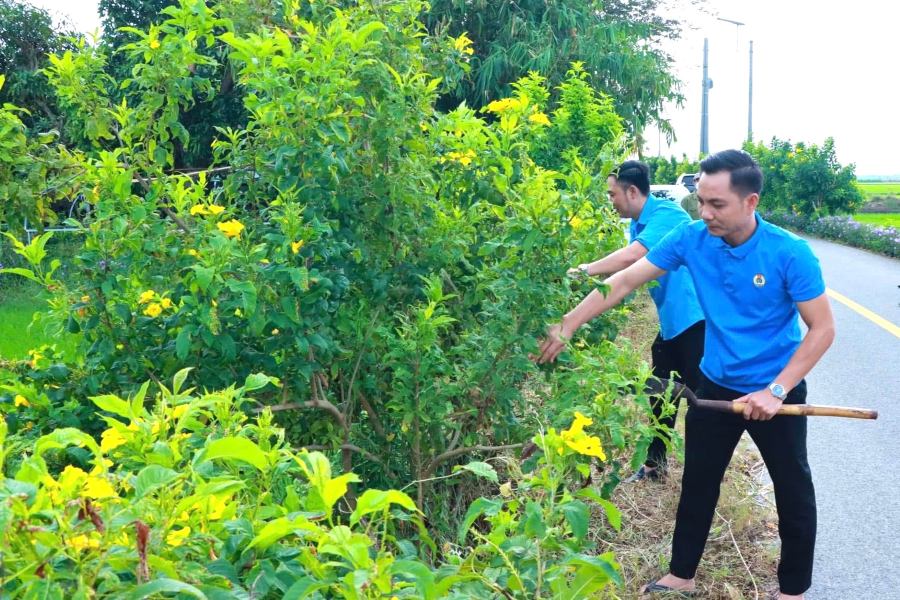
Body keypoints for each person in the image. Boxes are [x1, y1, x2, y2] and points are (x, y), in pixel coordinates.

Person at [539, 149, 835, 600]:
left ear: (750, 202)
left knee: (792, 486)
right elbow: (624, 280)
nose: (705, 212)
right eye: (701, 200)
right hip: (715, 382)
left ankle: (793, 588)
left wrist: (776, 390)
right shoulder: (692, 238)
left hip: (778, 389)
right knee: (698, 480)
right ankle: (681, 574)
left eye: (717, 204)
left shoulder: (789, 252)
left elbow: (822, 329)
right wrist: (569, 323)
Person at [571, 160, 705, 481]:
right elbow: (627, 274)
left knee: (700, 403)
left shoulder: (667, 215)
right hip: (672, 323)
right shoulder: (639, 222)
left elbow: (633, 258)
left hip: (696, 321)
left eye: (612, 194)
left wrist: (586, 268)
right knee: (660, 393)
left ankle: (701, 476)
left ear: (632, 191)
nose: (611, 201)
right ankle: (654, 465)